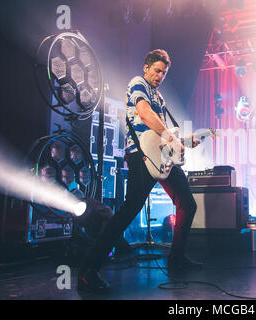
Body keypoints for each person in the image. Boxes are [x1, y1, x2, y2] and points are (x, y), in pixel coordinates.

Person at [78, 49, 201, 293]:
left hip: (162, 157)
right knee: (128, 212)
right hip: (140, 155)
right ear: (146, 68)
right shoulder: (138, 83)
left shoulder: (160, 97)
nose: (160, 76)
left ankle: (176, 259)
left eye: (164, 73)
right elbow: (145, 115)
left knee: (187, 204)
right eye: (157, 70)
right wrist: (169, 136)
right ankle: (88, 270)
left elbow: (163, 135)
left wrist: (183, 142)